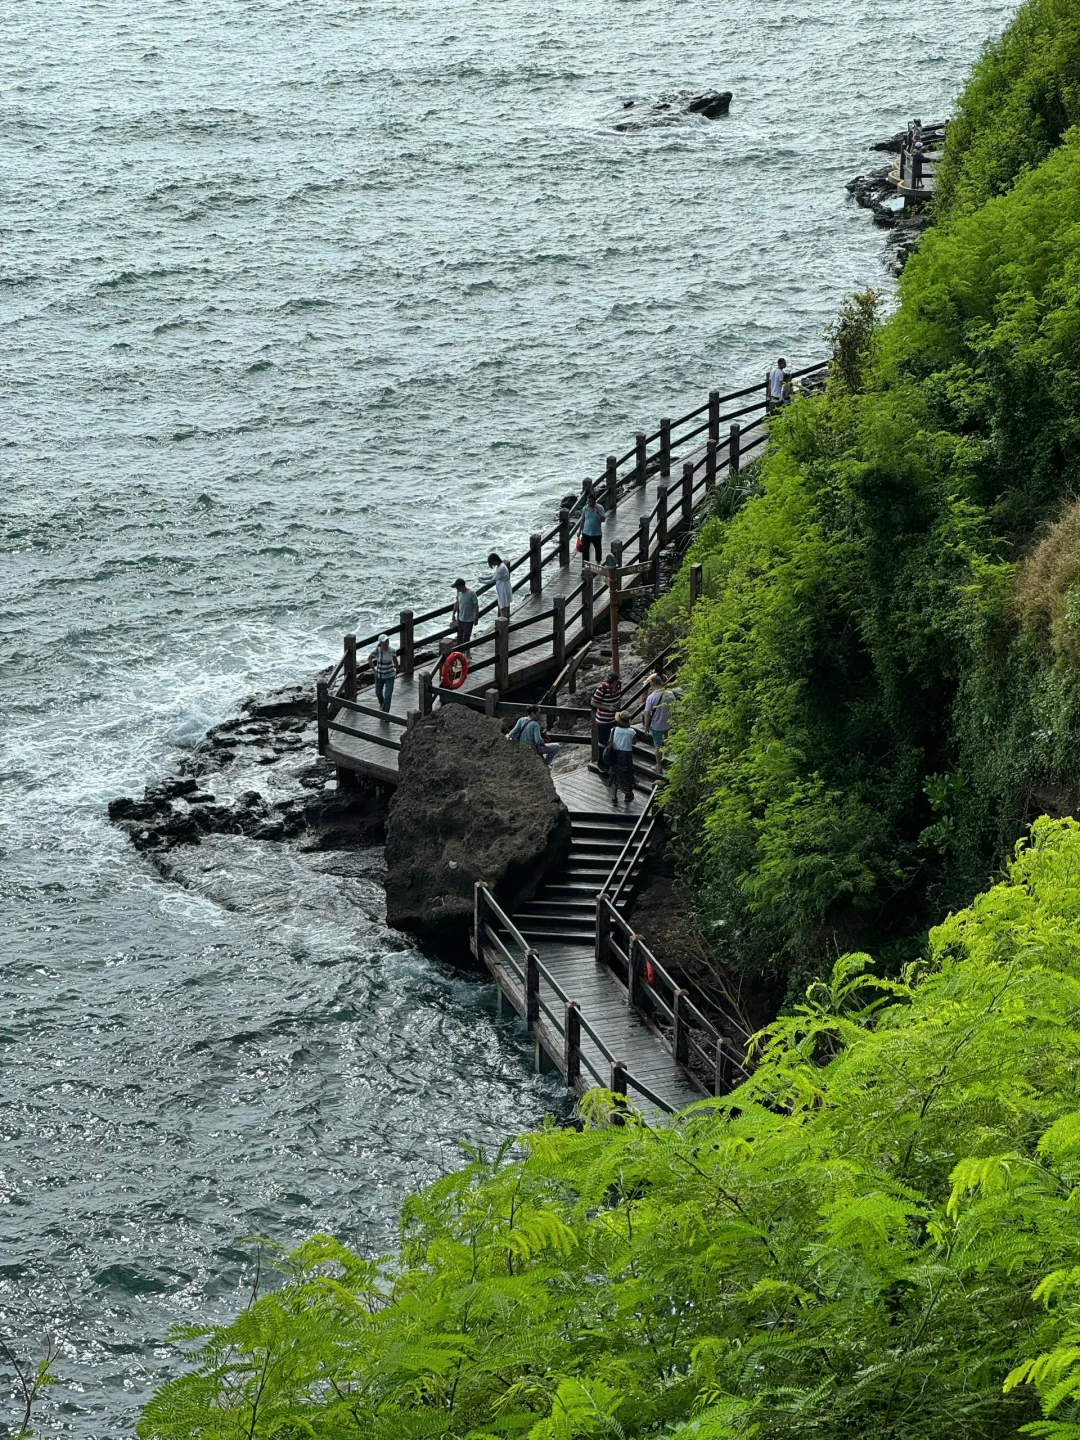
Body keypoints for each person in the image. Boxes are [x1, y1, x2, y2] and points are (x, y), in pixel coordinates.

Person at [591, 670, 622, 773]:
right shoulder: (601, 689)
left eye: (612, 683)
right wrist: (607, 707)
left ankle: (610, 762)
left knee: (612, 741)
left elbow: (618, 699)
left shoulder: (617, 687)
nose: (609, 685)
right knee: (602, 742)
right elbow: (594, 702)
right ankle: (601, 763)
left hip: (613, 719)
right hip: (603, 720)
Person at [643, 673, 675, 767]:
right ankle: (667, 759)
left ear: (652, 684)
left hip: (657, 725)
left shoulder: (651, 698)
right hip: (668, 723)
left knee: (658, 745)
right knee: (667, 742)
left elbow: (647, 714)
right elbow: (674, 708)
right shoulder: (670, 694)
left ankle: (659, 765)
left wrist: (646, 727)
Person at [609, 710, 636, 804]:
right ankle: (627, 794)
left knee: (615, 776)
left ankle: (614, 797)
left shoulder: (613, 730)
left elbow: (610, 741)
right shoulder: (631, 732)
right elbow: (634, 742)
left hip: (616, 754)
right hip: (627, 756)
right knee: (627, 775)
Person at [369, 634, 399, 713]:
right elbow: (369, 659)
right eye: (384, 642)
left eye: (387, 641)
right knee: (378, 692)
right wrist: (374, 670)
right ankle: (381, 703)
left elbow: (395, 660)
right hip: (379, 675)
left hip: (390, 675)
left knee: (388, 695)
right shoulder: (377, 651)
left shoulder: (392, 650)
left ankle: (385, 713)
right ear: (380, 643)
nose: (386, 643)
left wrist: (397, 668)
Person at [580, 495, 606, 565]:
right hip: (586, 532)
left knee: (598, 549)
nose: (589, 503)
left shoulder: (600, 508)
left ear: (594, 501)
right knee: (585, 550)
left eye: (590, 502)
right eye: (588, 501)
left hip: (596, 533)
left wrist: (597, 512)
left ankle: (598, 562)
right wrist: (580, 531)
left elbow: (603, 519)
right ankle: (585, 564)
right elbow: (582, 520)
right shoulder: (585, 508)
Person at [452, 577, 479, 644]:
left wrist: (476, 618)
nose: (456, 589)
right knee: (460, 637)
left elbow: (476, 606)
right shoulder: (459, 593)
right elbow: (457, 603)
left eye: (457, 587)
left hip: (469, 620)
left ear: (461, 586)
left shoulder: (471, 593)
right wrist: (453, 614)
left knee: (466, 638)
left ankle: (467, 653)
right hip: (460, 619)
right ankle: (461, 653)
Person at [488, 551, 512, 619]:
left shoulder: (501, 568)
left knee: (503, 608)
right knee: (504, 606)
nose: (493, 564)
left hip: (503, 588)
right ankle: (505, 623)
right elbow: (494, 575)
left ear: (495, 560)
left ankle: (504, 625)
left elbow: (493, 580)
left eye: (492, 563)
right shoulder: (501, 566)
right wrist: (483, 578)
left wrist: (482, 581)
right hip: (504, 587)